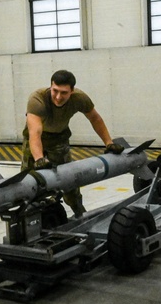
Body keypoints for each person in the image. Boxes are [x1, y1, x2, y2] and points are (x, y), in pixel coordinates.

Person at [22, 70, 123, 217]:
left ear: (72, 91)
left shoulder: (79, 98)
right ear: (50, 86)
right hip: (34, 141)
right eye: (55, 91)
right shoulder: (37, 99)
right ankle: (28, 218)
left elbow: (95, 119)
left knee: (68, 181)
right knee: (28, 182)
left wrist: (109, 143)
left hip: (59, 140)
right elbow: (35, 133)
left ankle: (79, 213)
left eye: (63, 93)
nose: (58, 97)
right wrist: (39, 159)